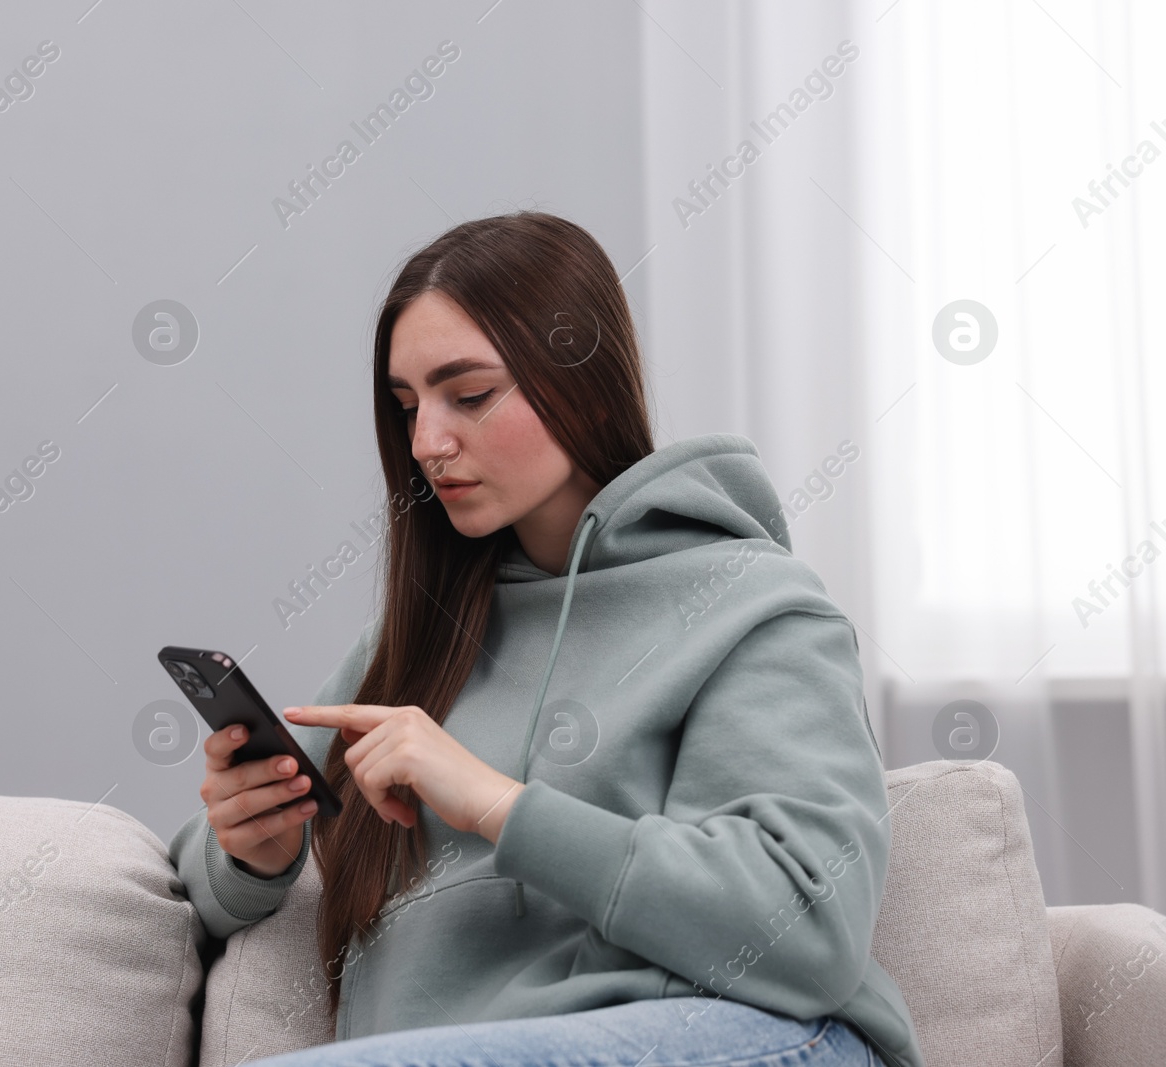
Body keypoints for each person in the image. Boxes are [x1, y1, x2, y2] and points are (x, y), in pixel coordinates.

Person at [168, 211, 923, 1067]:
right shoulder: (421, 640)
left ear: (586, 385)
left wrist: (494, 801)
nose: (427, 443)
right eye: (407, 406)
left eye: (471, 395)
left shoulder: (755, 609)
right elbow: (198, 880)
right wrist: (252, 851)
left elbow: (808, 930)